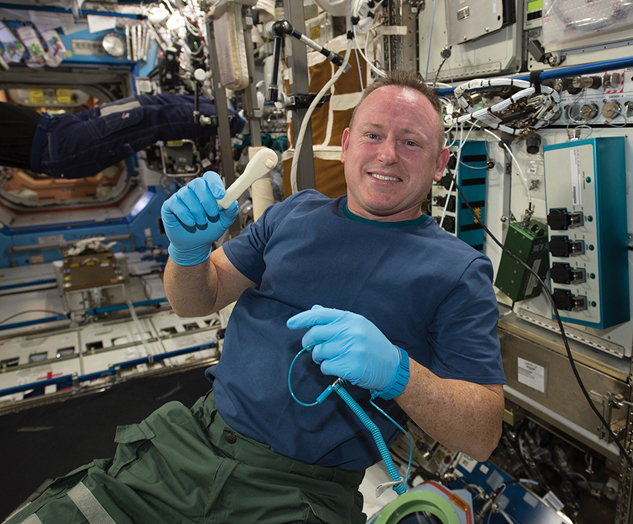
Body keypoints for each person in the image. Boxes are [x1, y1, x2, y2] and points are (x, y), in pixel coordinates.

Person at [4, 70, 505, 524]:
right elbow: (197, 299)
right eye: (373, 135)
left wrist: (401, 373)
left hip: (298, 494)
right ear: (348, 144)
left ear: (441, 164)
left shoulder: (458, 271)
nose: (387, 154)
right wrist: (188, 252)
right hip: (183, 449)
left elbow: (481, 434)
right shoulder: (295, 213)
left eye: (411, 142)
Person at [0, 94, 243, 179]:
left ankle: (221, 109)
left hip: (56, 127)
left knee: (145, 103)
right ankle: (232, 122)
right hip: (58, 148)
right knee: (148, 118)